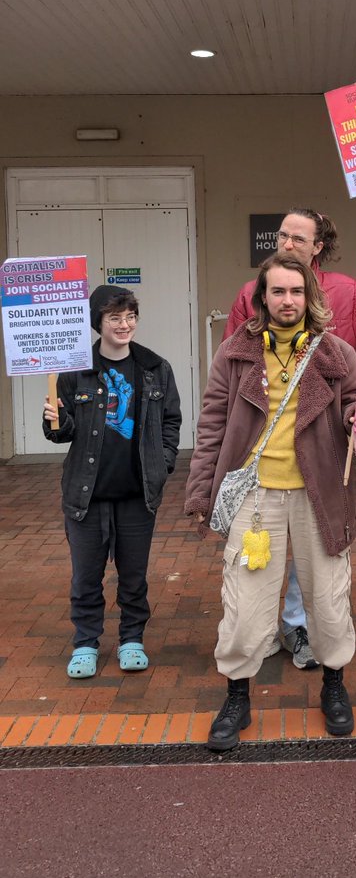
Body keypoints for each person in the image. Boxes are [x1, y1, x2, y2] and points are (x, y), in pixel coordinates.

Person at [224, 206, 356, 670]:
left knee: (316, 546)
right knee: (262, 544)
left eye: (299, 238)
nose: (287, 243)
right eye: (283, 236)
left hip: (321, 445)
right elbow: (234, 368)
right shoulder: (253, 294)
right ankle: (259, 628)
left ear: (319, 247)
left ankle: (299, 623)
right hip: (265, 447)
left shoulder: (347, 293)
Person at [186, 254, 356, 751]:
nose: (288, 301)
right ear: (262, 297)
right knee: (244, 605)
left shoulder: (337, 353)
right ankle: (237, 696)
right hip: (254, 496)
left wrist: (355, 418)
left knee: (327, 598)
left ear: (310, 297)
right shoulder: (235, 353)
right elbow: (212, 427)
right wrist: (201, 490)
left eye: (296, 292)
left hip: (321, 494)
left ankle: (333, 686)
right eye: (278, 292)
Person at [43, 286, 181, 679]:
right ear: (97, 323)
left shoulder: (156, 368)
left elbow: (171, 421)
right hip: (86, 496)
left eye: (130, 316)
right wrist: (54, 417)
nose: (125, 325)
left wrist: (163, 462)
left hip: (137, 494)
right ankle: (85, 643)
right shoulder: (73, 369)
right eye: (115, 318)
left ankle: (131, 638)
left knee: (133, 576)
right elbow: (60, 433)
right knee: (86, 576)